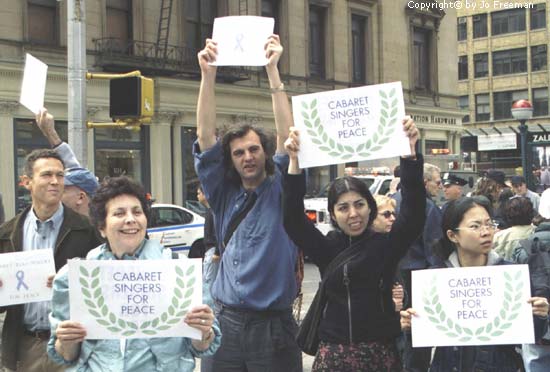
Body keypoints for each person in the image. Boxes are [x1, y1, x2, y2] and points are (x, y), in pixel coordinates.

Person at [193, 35, 302, 371]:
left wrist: (273, 71)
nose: (247, 156)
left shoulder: (281, 187)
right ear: (231, 160)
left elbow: (288, 135)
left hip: (273, 327)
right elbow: (205, 137)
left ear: (265, 152)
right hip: (226, 324)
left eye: (254, 149)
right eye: (238, 152)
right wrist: (207, 75)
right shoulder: (223, 195)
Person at [282, 118, 425, 371]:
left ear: (370, 207)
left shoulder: (386, 246)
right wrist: (294, 162)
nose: (353, 214)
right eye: (343, 207)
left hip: (380, 354)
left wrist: (410, 156)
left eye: (359, 204)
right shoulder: (326, 247)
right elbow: (292, 220)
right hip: (333, 356)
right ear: (333, 214)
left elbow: (413, 215)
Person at [46, 176, 220, 371]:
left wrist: (203, 332)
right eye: (119, 213)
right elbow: (66, 355)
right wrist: (67, 341)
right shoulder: (74, 279)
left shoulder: (181, 272)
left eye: (137, 212)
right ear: (102, 227)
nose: (130, 219)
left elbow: (202, 347)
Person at [400, 196, 549, 372]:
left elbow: (528, 335)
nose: (486, 232)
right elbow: (421, 349)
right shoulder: (435, 279)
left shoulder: (510, 275)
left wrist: (539, 316)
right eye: (475, 226)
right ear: (452, 235)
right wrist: (411, 328)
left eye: (489, 224)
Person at [0, 149, 101, 372]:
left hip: (73, 344)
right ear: (26, 182)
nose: (55, 181)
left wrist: (72, 283)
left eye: (60, 175)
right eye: (47, 175)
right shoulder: (7, 234)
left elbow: (105, 286)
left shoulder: (87, 230)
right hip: (25, 347)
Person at [393, 162, 443, 371]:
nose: (440, 187)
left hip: (393, 273)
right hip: (419, 275)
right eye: (437, 182)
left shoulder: (392, 201)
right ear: (424, 182)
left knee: (397, 329)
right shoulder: (428, 206)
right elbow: (434, 249)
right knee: (418, 333)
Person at [36, 108, 99, 218]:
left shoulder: (101, 232)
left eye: (63, 190)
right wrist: (50, 132)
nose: (55, 192)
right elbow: (71, 165)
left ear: (80, 198)